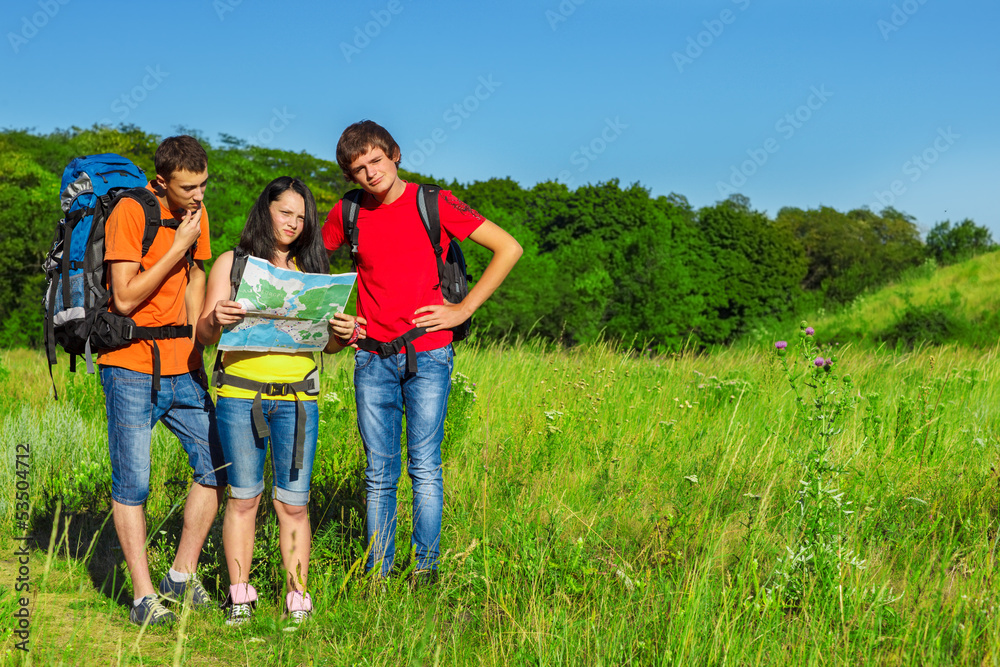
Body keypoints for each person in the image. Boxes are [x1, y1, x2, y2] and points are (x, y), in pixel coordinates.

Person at [322, 120, 522, 583]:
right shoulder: (347, 212)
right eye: (358, 169)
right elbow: (308, 263)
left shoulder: (433, 201)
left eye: (375, 160)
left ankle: (426, 571)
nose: (370, 173)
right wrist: (335, 322)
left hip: (428, 352)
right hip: (370, 355)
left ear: (395, 154)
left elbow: (508, 248)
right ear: (350, 177)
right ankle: (378, 574)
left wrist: (462, 308)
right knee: (378, 474)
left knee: (425, 468)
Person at [198, 176, 359, 626]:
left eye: (301, 217)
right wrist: (216, 317)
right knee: (244, 498)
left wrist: (341, 337)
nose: (292, 223)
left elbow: (324, 345)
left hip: (298, 400)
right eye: (284, 212)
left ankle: (296, 598)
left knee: (294, 504)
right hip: (239, 394)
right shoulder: (232, 264)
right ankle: (240, 596)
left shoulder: (314, 271)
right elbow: (205, 334)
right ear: (265, 210)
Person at [101, 135, 225, 626]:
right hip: (130, 364)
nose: (199, 196)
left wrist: (201, 346)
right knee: (133, 483)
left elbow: (195, 278)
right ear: (161, 182)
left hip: (184, 364)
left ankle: (181, 574)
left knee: (220, 464)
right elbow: (126, 297)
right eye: (188, 187)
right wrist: (175, 246)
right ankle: (143, 597)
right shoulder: (131, 212)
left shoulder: (198, 215)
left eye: (203, 185)